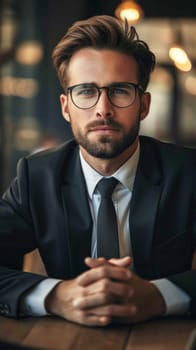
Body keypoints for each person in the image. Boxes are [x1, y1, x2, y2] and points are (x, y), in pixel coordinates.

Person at [0, 14, 196, 327]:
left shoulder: (188, 173)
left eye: (119, 90)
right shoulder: (35, 177)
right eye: (86, 91)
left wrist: (160, 296)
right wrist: (55, 296)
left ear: (143, 105)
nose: (103, 108)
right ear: (66, 106)